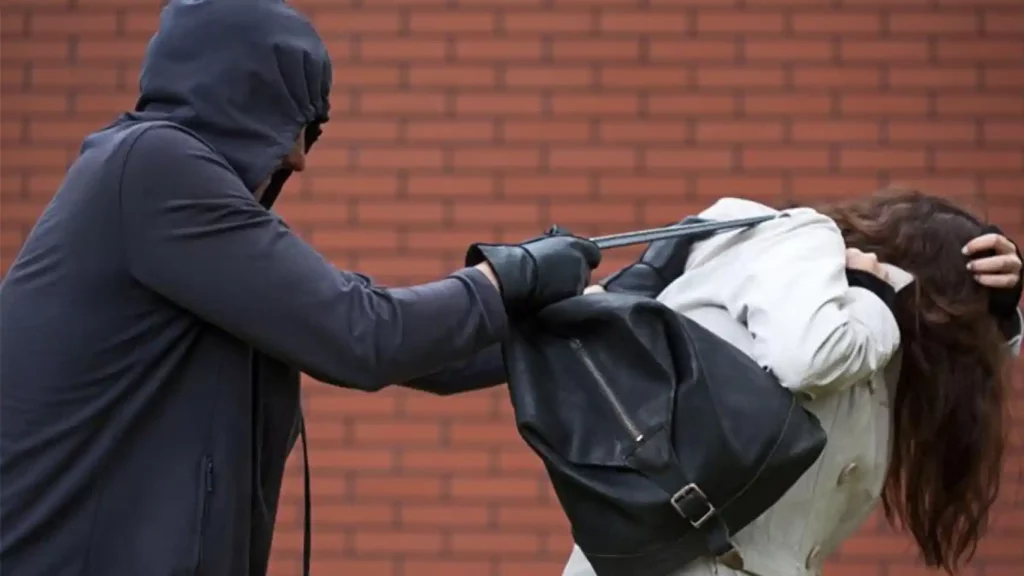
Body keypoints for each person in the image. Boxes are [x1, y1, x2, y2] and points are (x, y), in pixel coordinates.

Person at [0, 1, 601, 575]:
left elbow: (418, 354)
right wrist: (510, 276)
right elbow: (362, 336)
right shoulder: (154, 167)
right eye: (291, 124)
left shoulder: (181, 214)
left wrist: (606, 311)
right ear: (239, 103)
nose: (300, 158)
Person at [562, 190, 1022, 576]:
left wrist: (999, 312)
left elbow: (951, 374)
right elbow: (809, 361)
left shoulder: (871, 339)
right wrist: (873, 290)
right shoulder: (802, 245)